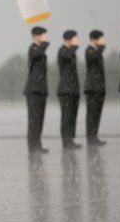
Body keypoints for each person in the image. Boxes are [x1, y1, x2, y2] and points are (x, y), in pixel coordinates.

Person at [24, 26, 50, 154]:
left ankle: (37, 145)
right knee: (33, 120)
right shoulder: (33, 48)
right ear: (36, 36)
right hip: (33, 90)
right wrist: (44, 43)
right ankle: (32, 146)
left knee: (39, 119)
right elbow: (37, 54)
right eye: (43, 35)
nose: (45, 37)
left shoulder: (40, 50)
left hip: (41, 89)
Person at [56, 30, 82, 149]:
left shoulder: (71, 52)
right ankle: (66, 140)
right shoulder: (63, 50)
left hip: (73, 89)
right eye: (75, 38)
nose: (78, 40)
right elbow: (67, 56)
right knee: (66, 116)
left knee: (72, 114)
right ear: (69, 39)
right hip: (65, 89)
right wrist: (74, 45)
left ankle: (70, 138)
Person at [84, 30, 107, 146]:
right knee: (92, 113)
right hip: (92, 88)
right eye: (101, 38)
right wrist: (102, 45)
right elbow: (95, 56)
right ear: (95, 39)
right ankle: (90, 137)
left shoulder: (96, 51)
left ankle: (94, 135)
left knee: (97, 113)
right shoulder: (89, 50)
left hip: (99, 88)